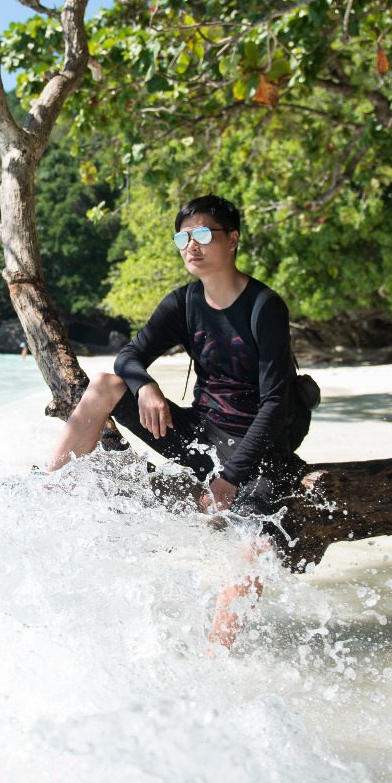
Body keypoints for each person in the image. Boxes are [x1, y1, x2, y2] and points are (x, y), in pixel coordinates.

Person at [45, 193, 303, 647]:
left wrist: (230, 477)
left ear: (233, 239)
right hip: (200, 436)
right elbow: (128, 356)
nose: (192, 245)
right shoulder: (184, 302)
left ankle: (217, 655)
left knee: (257, 544)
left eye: (203, 234)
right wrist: (146, 386)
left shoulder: (264, 306)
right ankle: (48, 491)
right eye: (183, 237)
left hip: (259, 449)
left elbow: (276, 404)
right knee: (105, 384)